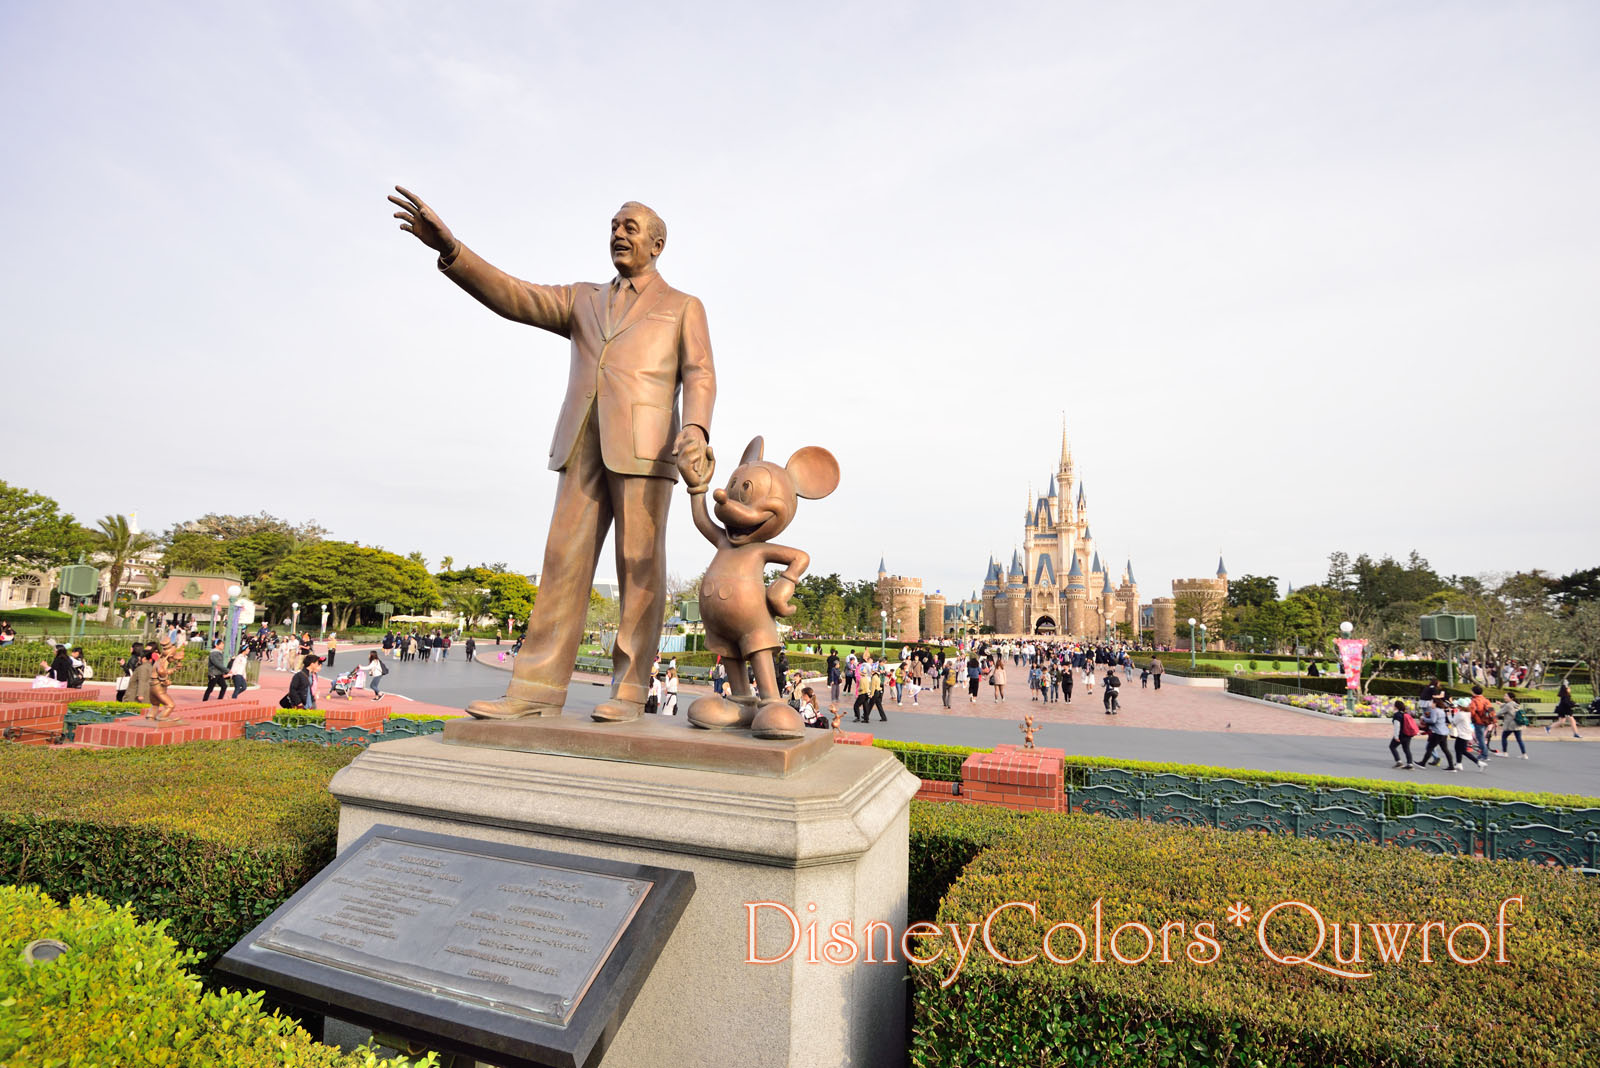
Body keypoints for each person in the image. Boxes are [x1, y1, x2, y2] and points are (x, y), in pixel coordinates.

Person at [394, 189, 715, 724]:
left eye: (631, 226)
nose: (619, 232)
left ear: (658, 244)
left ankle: (631, 689)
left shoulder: (683, 306)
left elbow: (700, 372)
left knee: (639, 569)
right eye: (614, 224)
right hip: (580, 443)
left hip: (648, 446)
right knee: (561, 564)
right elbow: (513, 295)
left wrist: (698, 429)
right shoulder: (581, 298)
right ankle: (536, 689)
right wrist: (453, 250)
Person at [1420, 697, 1456, 771]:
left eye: (1432, 702)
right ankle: (1451, 766)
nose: (1431, 704)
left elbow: (1433, 720)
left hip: (1437, 732)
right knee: (1445, 750)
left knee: (1429, 748)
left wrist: (1424, 718)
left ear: (1435, 703)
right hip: (1444, 732)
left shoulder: (1434, 710)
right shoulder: (1441, 711)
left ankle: (1423, 763)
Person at [1467, 685, 1496, 765]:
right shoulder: (1486, 700)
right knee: (1482, 737)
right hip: (1486, 720)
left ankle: (1484, 754)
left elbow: (1472, 711)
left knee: (1480, 738)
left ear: (1473, 692)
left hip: (1478, 721)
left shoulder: (1474, 700)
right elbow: (1491, 710)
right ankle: (1483, 753)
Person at [1389, 699, 1419, 768]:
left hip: (1401, 735)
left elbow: (1397, 726)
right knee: (1406, 749)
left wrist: (1396, 737)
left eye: (1394, 705)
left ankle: (1398, 761)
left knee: (1392, 746)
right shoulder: (1406, 714)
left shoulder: (1397, 715)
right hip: (1408, 735)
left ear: (1396, 707)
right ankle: (1410, 764)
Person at [1498, 690, 1528, 758]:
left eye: (1506, 696)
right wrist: (1501, 704)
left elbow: (1500, 713)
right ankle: (1524, 754)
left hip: (1510, 725)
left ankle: (1505, 753)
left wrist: (1492, 716)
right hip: (1518, 724)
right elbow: (1507, 706)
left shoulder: (1508, 705)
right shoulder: (1515, 704)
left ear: (1511, 698)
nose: (1504, 697)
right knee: (1519, 739)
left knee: (1504, 737)